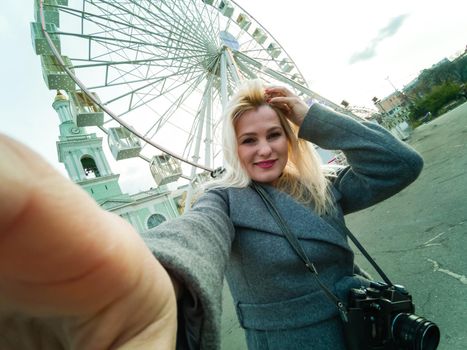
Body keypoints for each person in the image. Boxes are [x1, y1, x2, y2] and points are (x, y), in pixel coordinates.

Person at [0, 79, 423, 349]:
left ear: (291, 139)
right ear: (233, 150)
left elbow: (399, 164)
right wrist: (149, 272)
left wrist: (312, 117)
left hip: (367, 328)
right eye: (249, 140)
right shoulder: (223, 199)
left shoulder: (322, 185)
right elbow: (194, 234)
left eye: (275, 135)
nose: (264, 149)